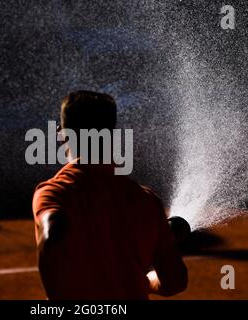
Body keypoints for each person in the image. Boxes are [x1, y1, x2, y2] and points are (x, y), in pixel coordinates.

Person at [32, 90, 188, 299]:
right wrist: (146, 281)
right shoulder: (147, 200)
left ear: (62, 133)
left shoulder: (55, 193)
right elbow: (174, 283)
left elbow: (51, 236)